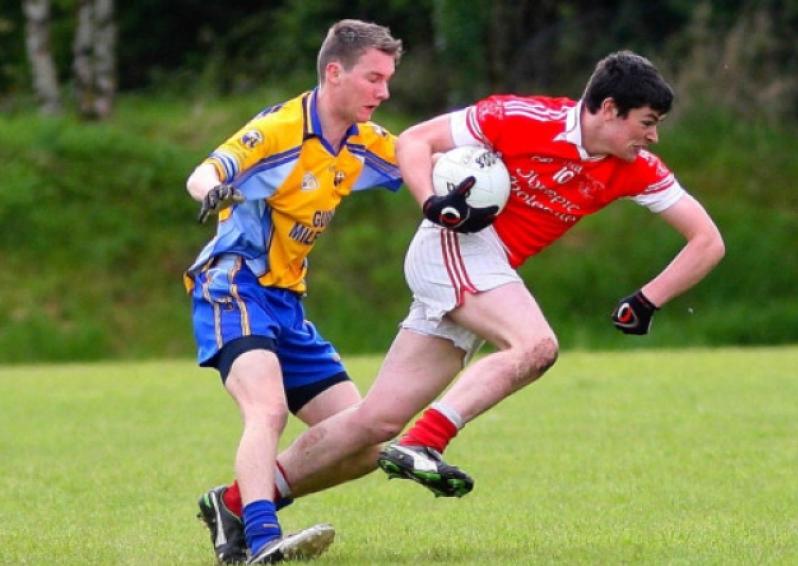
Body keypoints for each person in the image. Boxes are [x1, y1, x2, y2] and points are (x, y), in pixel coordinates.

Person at [262, 50, 726, 504]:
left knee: (376, 423)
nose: (654, 137)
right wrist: (430, 202)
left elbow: (707, 240)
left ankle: (242, 503)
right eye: (647, 122)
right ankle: (425, 441)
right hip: (456, 244)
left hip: (488, 269)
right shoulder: (522, 117)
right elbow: (414, 141)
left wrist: (648, 299)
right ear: (609, 109)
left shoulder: (634, 168)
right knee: (536, 346)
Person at [184, 19, 403, 564]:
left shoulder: (363, 141)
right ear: (335, 72)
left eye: (387, 80)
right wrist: (214, 192)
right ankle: (260, 541)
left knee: (365, 441)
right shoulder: (281, 128)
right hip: (233, 284)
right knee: (268, 411)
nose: (384, 92)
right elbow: (205, 171)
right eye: (374, 78)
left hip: (287, 302)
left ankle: (234, 504)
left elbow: (424, 163)